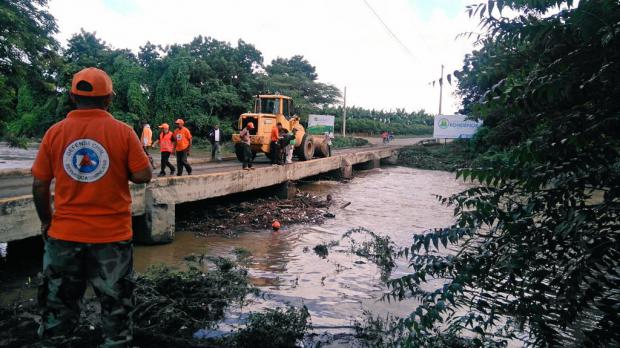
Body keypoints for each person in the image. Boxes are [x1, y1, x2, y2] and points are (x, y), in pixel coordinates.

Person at [31, 67, 152, 347]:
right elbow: (143, 175)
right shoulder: (123, 132)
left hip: (63, 236)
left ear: (73, 97)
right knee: (116, 313)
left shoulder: (55, 133)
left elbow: (39, 185)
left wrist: (46, 221)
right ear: (109, 98)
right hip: (111, 239)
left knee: (57, 314)